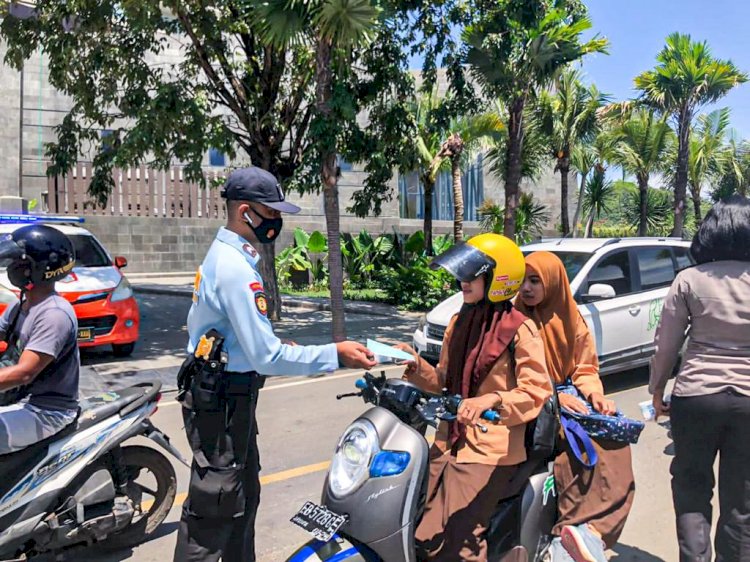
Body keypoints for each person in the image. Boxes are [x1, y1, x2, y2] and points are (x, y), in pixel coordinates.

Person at [173, 167, 376, 562]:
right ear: (245, 211)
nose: (277, 222)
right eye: (271, 212)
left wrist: (269, 343)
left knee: (242, 497)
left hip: (226, 395)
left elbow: (231, 338)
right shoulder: (234, 268)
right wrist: (335, 353)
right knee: (216, 510)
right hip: (223, 402)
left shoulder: (230, 257)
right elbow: (266, 356)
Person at [396, 233, 552, 562]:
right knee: (416, 528)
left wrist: (492, 400)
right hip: (447, 440)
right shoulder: (459, 321)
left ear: (498, 278)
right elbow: (443, 382)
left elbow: (536, 391)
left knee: (458, 537)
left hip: (490, 448)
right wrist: (415, 364)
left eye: (471, 275)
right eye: (461, 274)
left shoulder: (520, 330)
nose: (462, 282)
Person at [516, 251, 634, 562]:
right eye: (522, 281)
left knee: (616, 440)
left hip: (567, 400)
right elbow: (510, 376)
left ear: (554, 283)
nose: (526, 289)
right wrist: (553, 396)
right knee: (575, 451)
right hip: (534, 404)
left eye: (534, 280)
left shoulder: (571, 316)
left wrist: (595, 395)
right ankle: (570, 530)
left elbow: (585, 368)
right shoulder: (514, 319)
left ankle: (592, 533)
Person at [650, 195, 750, 562]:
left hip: (696, 397)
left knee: (692, 489)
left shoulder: (688, 279)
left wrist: (657, 390)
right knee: (742, 500)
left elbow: (666, 345)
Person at [0, 224, 79, 455]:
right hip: (18, 399)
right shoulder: (21, 305)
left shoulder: (54, 314)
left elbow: (25, 372)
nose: (12, 268)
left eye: (19, 263)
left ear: (38, 269)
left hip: (47, 411)